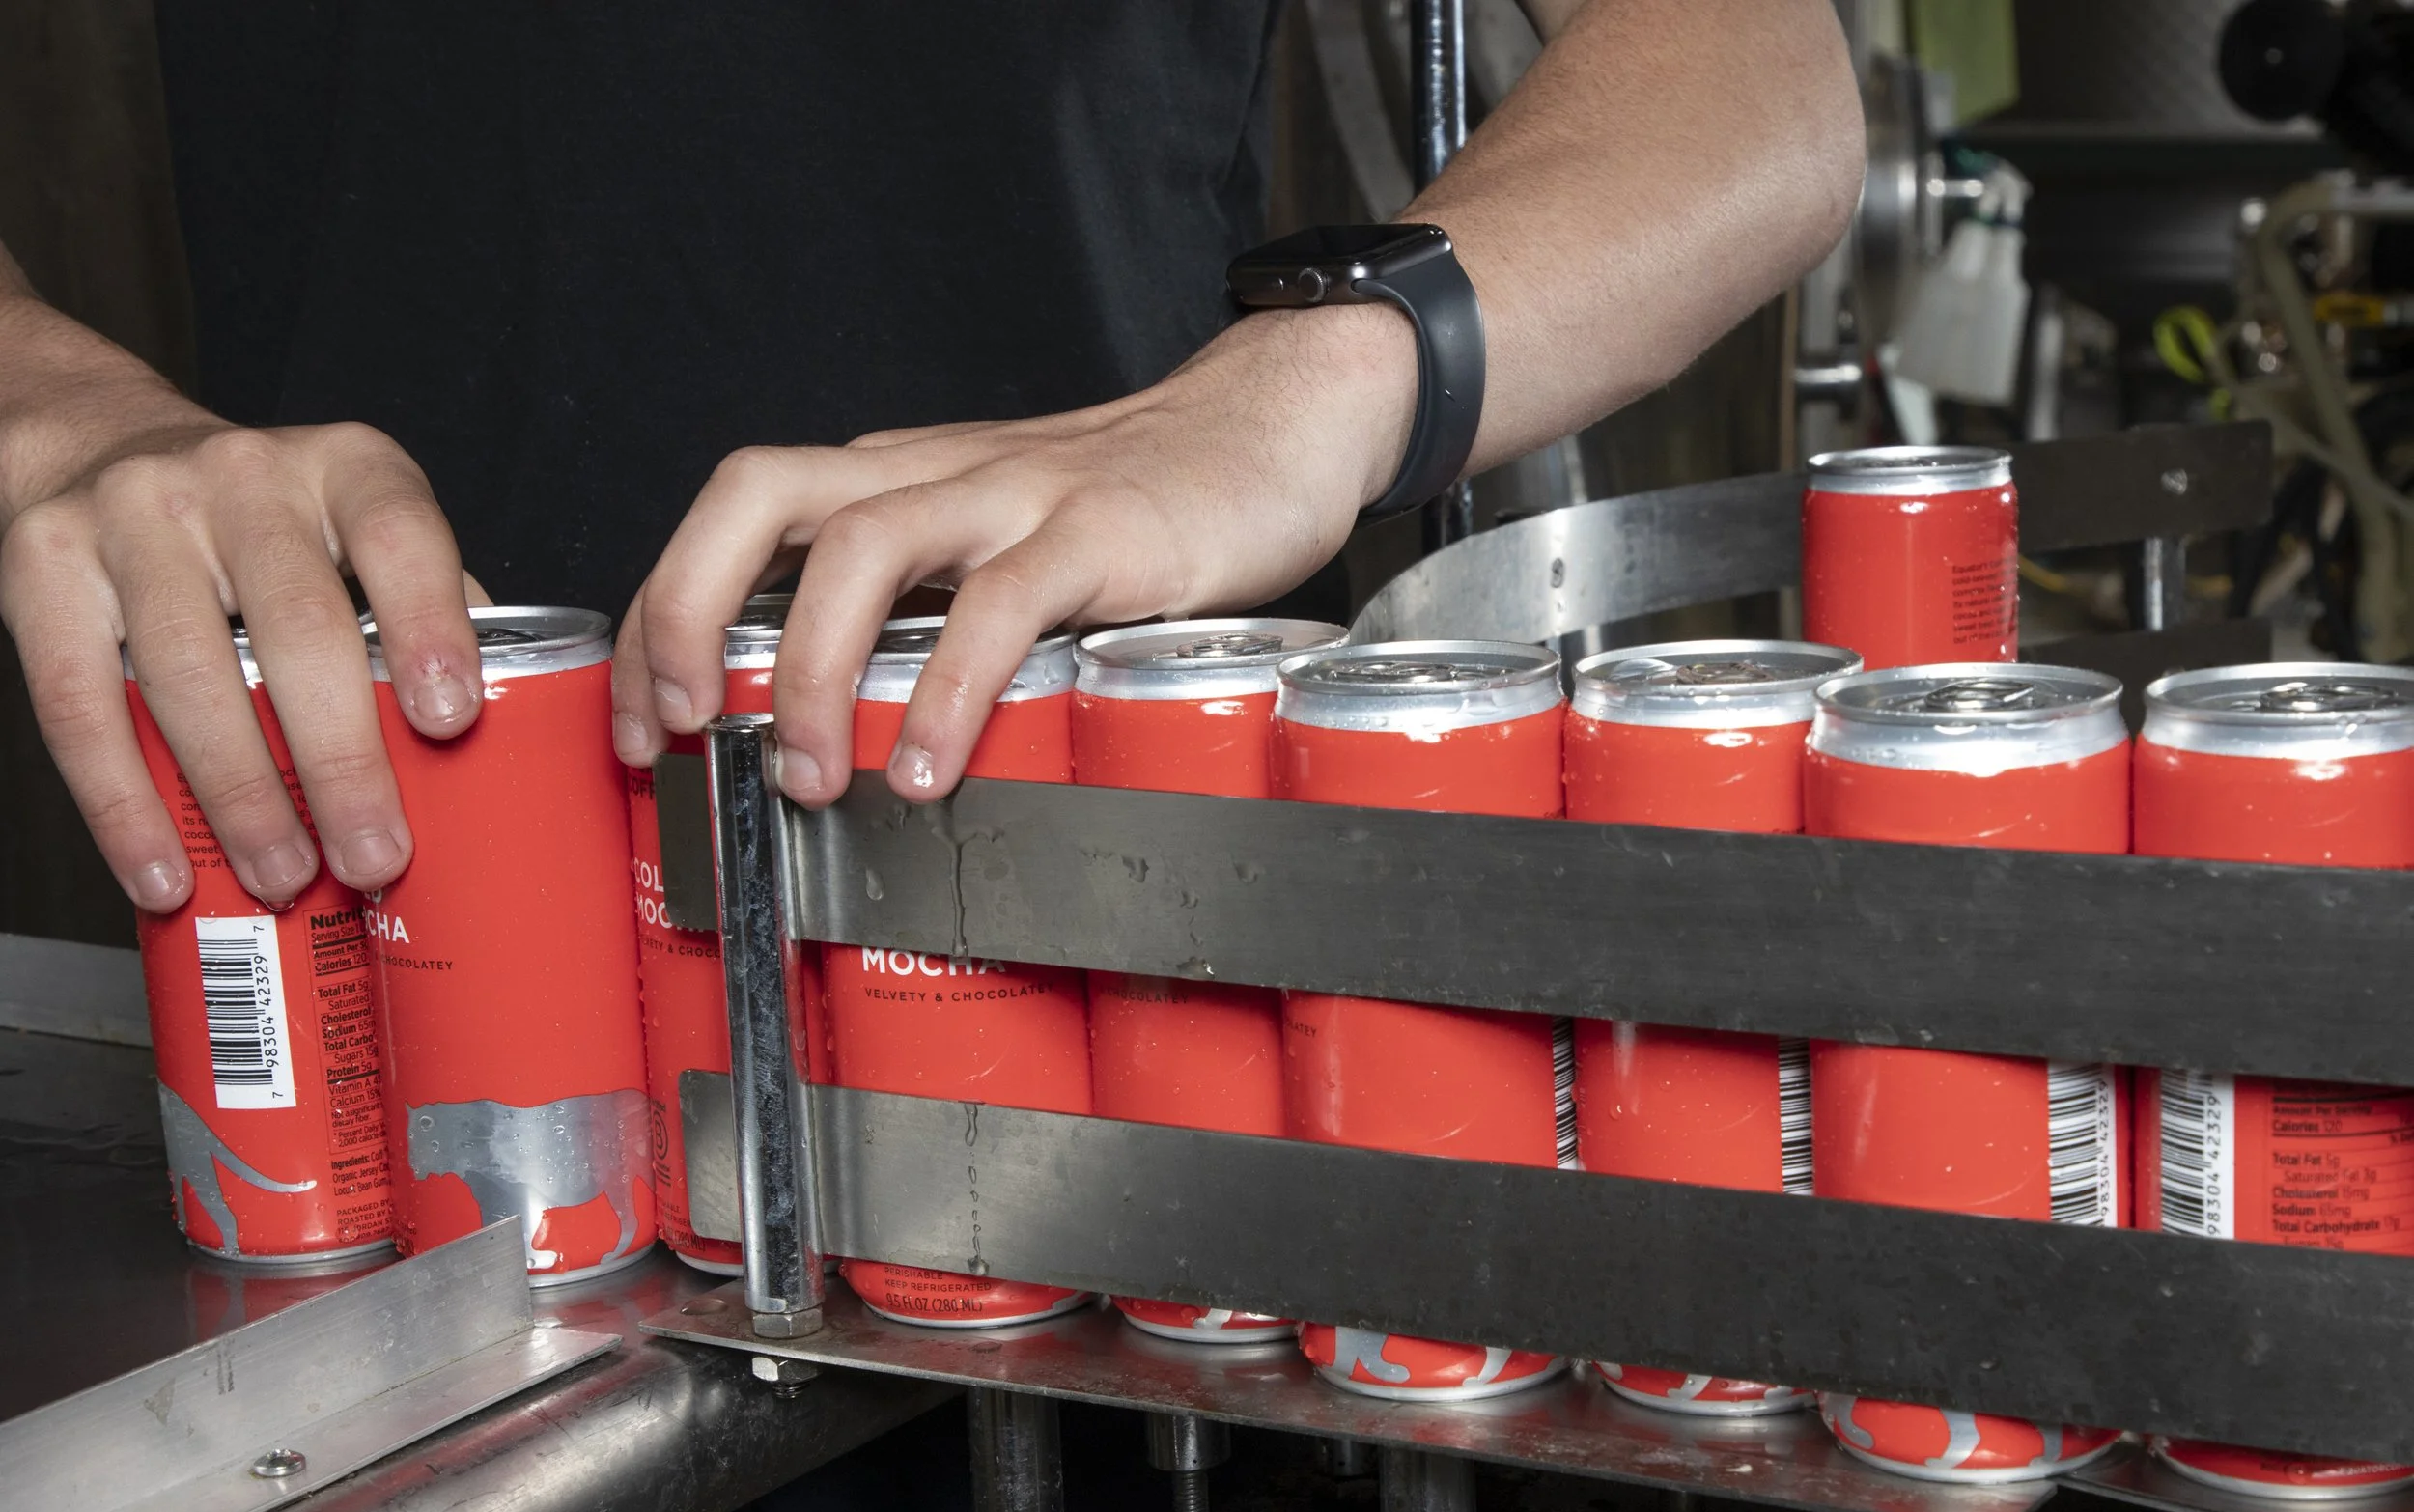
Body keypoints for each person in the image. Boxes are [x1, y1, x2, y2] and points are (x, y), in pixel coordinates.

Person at [0, 0, 1862, 919]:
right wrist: (55, 410)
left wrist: (1310, 388)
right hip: (376, 894)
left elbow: (1751, 80)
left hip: (1098, 911)